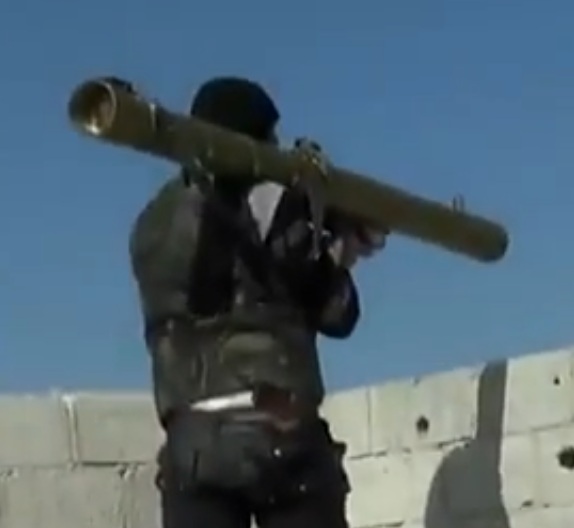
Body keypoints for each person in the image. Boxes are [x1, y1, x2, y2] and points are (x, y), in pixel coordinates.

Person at [129, 77, 387, 528]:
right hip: (280, 433)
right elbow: (334, 311)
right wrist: (345, 250)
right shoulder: (272, 205)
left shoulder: (152, 223)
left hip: (192, 443)